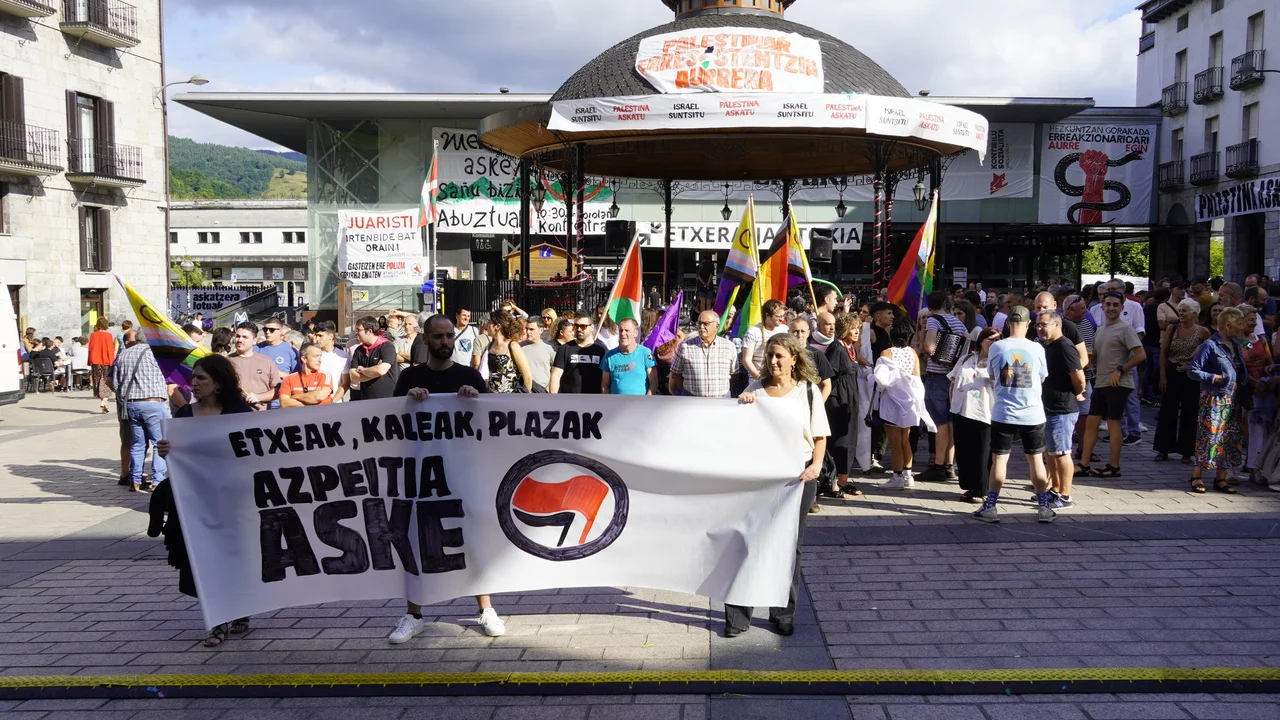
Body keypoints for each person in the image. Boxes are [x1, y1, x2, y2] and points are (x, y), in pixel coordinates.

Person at [390, 315, 505, 642]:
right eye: (438, 337)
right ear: (425, 340)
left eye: (449, 336)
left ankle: (486, 608)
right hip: (422, 472)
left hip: (464, 471)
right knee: (416, 538)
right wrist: (408, 401)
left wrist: (475, 399)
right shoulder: (410, 377)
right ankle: (413, 615)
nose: (445, 342)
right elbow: (389, 422)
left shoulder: (468, 376)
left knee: (473, 538)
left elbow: (490, 422)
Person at [723, 333, 830, 638]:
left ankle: (783, 612)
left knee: (788, 545)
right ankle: (737, 616)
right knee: (747, 541)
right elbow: (737, 430)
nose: (773, 361)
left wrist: (816, 466)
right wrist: (742, 405)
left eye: (779, 356)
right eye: (770, 355)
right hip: (759, 476)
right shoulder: (755, 389)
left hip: (798, 477)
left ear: (794, 359)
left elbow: (820, 436)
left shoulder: (808, 391)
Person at [154, 354, 254, 647]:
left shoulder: (239, 412)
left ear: (219, 382)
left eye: (201, 378)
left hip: (234, 502)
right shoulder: (185, 415)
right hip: (197, 503)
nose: (193, 383)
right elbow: (179, 458)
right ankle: (217, 621)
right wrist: (167, 451)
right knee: (205, 560)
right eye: (193, 377)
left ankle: (241, 607)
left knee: (235, 559)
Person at [972, 306, 1054, 523]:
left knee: (999, 459)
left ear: (1008, 324)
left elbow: (992, 375)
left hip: (1004, 412)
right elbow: (1042, 377)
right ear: (1028, 324)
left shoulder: (997, 347)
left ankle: (990, 506)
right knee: (1036, 459)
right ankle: (1044, 507)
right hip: (1033, 413)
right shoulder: (1037, 348)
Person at [1078, 293, 1147, 478]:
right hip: (1101, 382)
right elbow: (1094, 357)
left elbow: (1141, 355)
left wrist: (1121, 369)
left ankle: (1114, 466)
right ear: (1102, 306)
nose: (1111, 308)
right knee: (1091, 422)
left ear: (1122, 308)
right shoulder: (1100, 330)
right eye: (1108, 304)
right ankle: (1084, 464)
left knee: (1113, 423)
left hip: (1118, 384)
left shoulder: (1126, 329)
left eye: (1115, 305)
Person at [1187, 307, 1249, 494]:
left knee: (1229, 439)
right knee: (1209, 437)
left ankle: (1220, 478)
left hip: (1232, 399)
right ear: (1228, 325)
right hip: (1214, 399)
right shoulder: (1210, 345)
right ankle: (1196, 476)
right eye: (1239, 324)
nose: (1242, 327)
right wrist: (1214, 378)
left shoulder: (1236, 345)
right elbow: (1192, 370)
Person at [918, 291, 969, 483]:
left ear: (930, 306)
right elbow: (967, 345)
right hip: (954, 377)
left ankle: (938, 466)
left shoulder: (933, 320)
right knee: (951, 421)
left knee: (940, 422)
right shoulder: (958, 322)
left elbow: (929, 346)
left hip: (938, 376)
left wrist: (933, 353)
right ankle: (949, 465)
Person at [876, 320, 933, 490]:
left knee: (895, 443)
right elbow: (916, 378)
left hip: (892, 401)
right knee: (905, 440)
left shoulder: (886, 353)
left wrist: (869, 377)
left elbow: (881, 380)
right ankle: (908, 475)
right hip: (909, 400)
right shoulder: (912, 352)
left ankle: (897, 476)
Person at [1036, 311, 1084, 509]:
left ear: (1056, 325)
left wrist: (1076, 393)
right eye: (1037, 325)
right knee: (1052, 453)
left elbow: (1079, 378)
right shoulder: (1046, 346)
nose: (1040, 328)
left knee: (1062, 453)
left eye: (1044, 324)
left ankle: (1065, 495)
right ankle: (1055, 489)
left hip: (1062, 408)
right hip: (1047, 407)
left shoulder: (1064, 346)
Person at [111, 331, 169, 493]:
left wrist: (124, 398)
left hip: (132, 404)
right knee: (159, 443)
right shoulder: (156, 354)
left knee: (138, 443)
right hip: (153, 402)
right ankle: (158, 480)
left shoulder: (123, 355)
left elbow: (115, 383)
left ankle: (135, 479)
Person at [1154, 298, 1210, 464]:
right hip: (1172, 371)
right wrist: (1163, 375)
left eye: (1184, 311)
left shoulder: (1203, 332)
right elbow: (1164, 352)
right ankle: (1163, 448)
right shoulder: (1172, 329)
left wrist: (1191, 366)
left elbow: (1207, 355)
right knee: (1167, 410)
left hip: (1191, 374)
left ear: (1194, 313)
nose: (1181, 314)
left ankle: (1187, 451)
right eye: (1180, 310)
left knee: (1190, 412)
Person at [949, 327, 999, 503]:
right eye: (990, 339)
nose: (993, 343)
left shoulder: (998, 360)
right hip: (962, 409)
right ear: (981, 341)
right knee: (964, 450)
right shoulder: (967, 358)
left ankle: (982, 489)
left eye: (996, 340)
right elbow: (953, 380)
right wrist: (952, 402)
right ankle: (970, 487)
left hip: (985, 411)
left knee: (983, 452)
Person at [822, 313, 863, 499]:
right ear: (844, 329)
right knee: (839, 441)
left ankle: (844, 480)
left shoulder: (850, 347)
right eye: (853, 328)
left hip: (850, 398)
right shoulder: (836, 348)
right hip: (837, 399)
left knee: (850, 438)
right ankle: (832, 482)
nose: (856, 331)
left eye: (858, 328)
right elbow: (827, 376)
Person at [670, 310, 738, 398]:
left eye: (706, 324)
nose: (701, 327)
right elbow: (675, 373)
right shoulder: (685, 346)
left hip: (721, 400)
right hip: (692, 399)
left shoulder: (729, 346)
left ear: (717, 326)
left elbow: (734, 373)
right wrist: (687, 391)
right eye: (699, 323)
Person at [227, 322, 282, 411]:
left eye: (245, 337)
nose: (240, 340)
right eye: (238, 336)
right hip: (234, 415)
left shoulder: (266, 361)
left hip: (261, 415)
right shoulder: (225, 362)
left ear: (254, 341)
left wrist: (259, 397)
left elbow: (277, 390)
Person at [549, 315, 607, 394]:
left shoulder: (602, 349)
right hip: (569, 398)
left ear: (592, 327)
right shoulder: (564, 349)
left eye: (583, 326)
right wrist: (553, 398)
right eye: (576, 326)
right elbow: (555, 375)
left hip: (594, 398)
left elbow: (606, 380)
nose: (579, 329)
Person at [348, 316, 400, 401]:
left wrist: (362, 370)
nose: (356, 333)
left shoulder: (387, 346)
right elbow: (353, 375)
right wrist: (374, 372)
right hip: (366, 399)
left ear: (369, 331)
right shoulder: (359, 350)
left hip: (387, 399)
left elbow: (381, 370)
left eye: (358, 330)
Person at [601, 318, 657, 395]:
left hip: (640, 402)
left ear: (636, 333)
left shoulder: (646, 353)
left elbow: (653, 382)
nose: (623, 333)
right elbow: (605, 384)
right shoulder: (609, 356)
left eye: (627, 330)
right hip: (615, 401)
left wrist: (647, 400)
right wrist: (607, 400)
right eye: (621, 330)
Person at [486, 310, 533, 393]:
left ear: (497, 326)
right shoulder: (490, 345)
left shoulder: (512, 346)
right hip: (492, 397)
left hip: (511, 397)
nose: (487, 325)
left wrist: (524, 397)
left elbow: (528, 378)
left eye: (489, 322)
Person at [741, 299, 789, 381]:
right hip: (758, 378)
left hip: (779, 378)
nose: (782, 319)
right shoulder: (753, 332)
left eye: (783, 315)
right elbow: (746, 360)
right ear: (767, 315)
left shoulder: (785, 330)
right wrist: (759, 377)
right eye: (778, 316)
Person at [255, 318, 299, 405]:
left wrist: (279, 374)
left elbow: (297, 377)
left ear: (280, 331)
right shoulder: (256, 349)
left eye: (271, 330)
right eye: (265, 329)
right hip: (260, 401)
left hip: (282, 401)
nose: (267, 332)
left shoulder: (290, 351)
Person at [787, 318, 833, 402]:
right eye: (795, 331)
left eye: (802, 331)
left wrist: (818, 405)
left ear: (808, 333)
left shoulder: (817, 355)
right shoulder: (784, 354)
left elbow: (827, 385)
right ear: (789, 333)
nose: (799, 335)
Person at [279, 343, 335, 408]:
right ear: (304, 359)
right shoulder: (288, 379)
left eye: (320, 356)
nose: (320, 360)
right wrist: (312, 398)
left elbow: (319, 397)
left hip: (321, 413)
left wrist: (294, 397)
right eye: (316, 356)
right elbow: (284, 403)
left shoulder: (325, 376)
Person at [312, 320, 350, 402]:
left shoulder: (343, 356)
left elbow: (345, 383)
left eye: (320, 336)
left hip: (335, 403)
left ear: (331, 336)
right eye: (316, 335)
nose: (317, 339)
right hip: (314, 403)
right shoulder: (312, 355)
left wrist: (332, 401)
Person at [88, 317, 117, 414]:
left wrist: (89, 360)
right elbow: (110, 349)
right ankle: (104, 401)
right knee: (106, 381)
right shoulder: (108, 335)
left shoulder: (93, 335)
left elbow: (91, 348)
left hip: (95, 361)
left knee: (97, 381)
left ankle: (104, 405)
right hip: (106, 361)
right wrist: (112, 362)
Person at [521, 316, 555, 393]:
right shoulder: (519, 347)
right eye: (527, 329)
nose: (528, 332)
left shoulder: (550, 348)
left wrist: (549, 388)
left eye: (531, 329)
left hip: (543, 391)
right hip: (523, 391)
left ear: (541, 330)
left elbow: (556, 372)